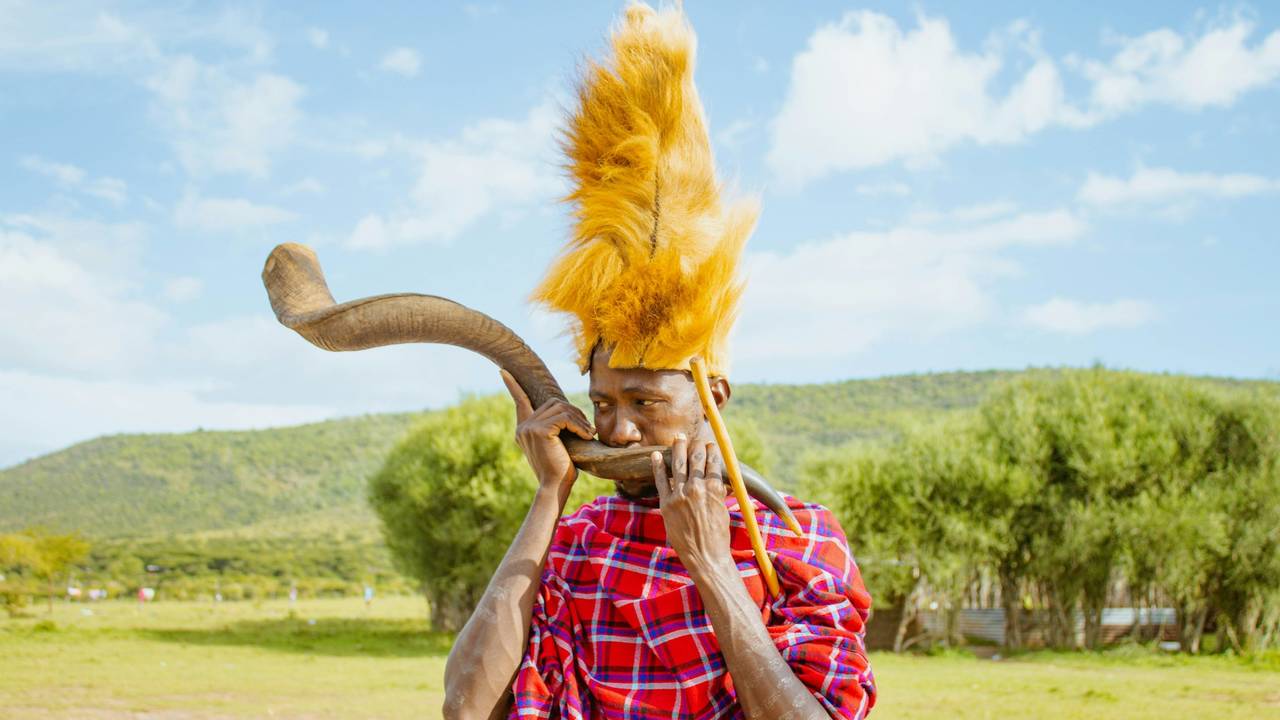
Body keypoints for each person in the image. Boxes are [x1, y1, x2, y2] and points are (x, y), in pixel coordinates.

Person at [442, 4, 875, 719]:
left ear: (713, 397)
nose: (615, 433)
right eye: (604, 402)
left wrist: (709, 562)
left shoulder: (795, 538)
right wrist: (549, 497)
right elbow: (468, 706)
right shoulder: (579, 541)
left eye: (645, 404)